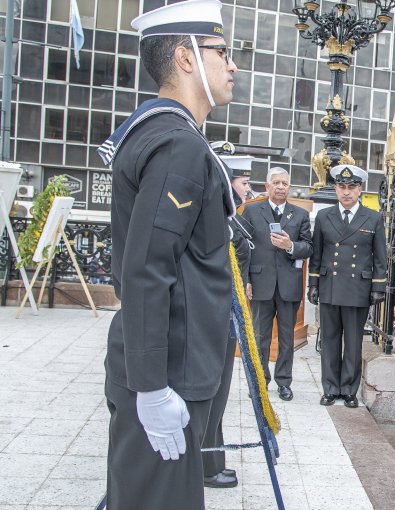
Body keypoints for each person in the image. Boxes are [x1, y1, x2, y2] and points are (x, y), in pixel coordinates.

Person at [99, 1, 238, 508]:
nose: (232, 64)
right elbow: (146, 270)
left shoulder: (162, 133)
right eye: (221, 52)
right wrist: (153, 389)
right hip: (169, 374)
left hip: (171, 367)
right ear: (186, 58)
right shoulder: (177, 143)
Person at [307, 164, 386, 408]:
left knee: (353, 343)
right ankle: (330, 389)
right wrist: (313, 284)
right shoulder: (324, 216)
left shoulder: (373, 217)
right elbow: (317, 254)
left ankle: (349, 390)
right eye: (342, 187)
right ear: (335, 189)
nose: (346, 192)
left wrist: (378, 287)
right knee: (330, 341)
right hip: (330, 286)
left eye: (351, 187)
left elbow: (380, 257)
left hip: (357, 289)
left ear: (360, 189)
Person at [199, 153, 254, 489]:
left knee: (217, 396)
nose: (248, 189)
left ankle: (212, 460)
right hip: (216, 317)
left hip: (227, 316)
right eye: (244, 182)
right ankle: (204, 465)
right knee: (211, 394)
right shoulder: (218, 217)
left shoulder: (230, 217)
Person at [242, 167, 312, 400]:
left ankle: (284, 382)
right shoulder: (251, 211)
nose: (281, 187)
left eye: (285, 183)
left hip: (288, 286)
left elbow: (309, 247)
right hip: (260, 283)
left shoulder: (299, 215)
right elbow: (243, 248)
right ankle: (260, 381)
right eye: (277, 183)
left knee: (286, 338)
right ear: (267, 186)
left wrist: (290, 246)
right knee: (260, 337)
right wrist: (246, 280)